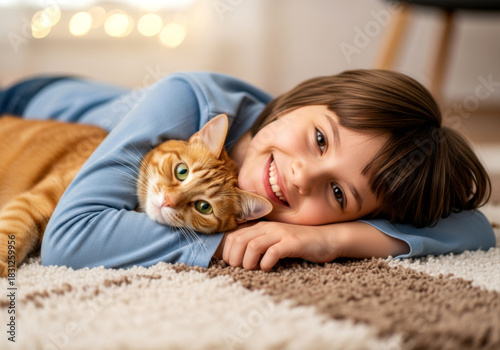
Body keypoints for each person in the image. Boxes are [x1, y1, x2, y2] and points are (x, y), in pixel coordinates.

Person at [0, 70, 495, 272]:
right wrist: (221, 242)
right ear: (302, 101)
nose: (302, 177)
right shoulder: (189, 100)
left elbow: (476, 229)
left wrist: (332, 241)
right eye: (321, 139)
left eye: (339, 195)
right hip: (31, 104)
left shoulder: (308, 216)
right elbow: (71, 235)